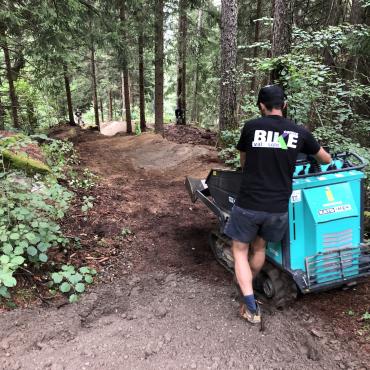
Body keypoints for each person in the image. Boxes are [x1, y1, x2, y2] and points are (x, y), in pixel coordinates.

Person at [224, 85, 331, 324]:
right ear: (283, 105)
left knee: (240, 250)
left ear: (262, 105)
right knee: (259, 248)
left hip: (250, 202)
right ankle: (247, 284)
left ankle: (250, 305)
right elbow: (325, 158)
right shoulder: (298, 132)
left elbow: (243, 160)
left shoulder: (252, 127)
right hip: (278, 208)